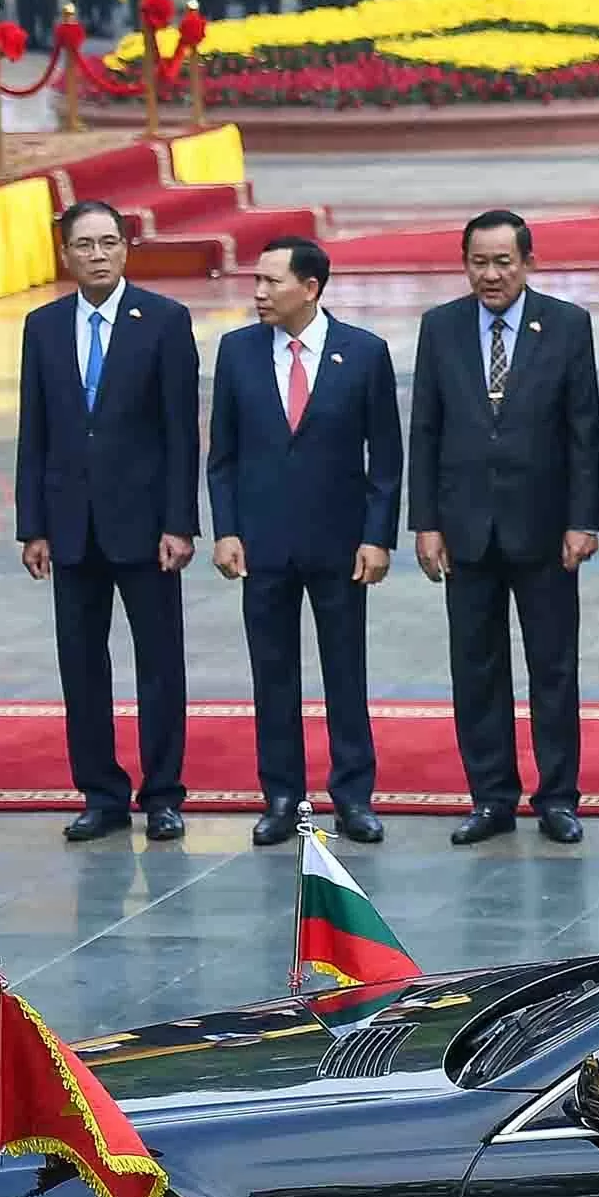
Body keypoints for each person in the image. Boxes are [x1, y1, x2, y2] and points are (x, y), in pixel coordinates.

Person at [411, 209, 599, 846]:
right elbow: (427, 430)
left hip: (545, 529)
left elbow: (583, 431)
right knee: (476, 667)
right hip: (465, 528)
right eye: (478, 262)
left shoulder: (568, 325)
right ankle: (491, 797)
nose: (490, 275)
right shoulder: (441, 328)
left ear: (528, 262)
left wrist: (583, 518)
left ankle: (558, 798)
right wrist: (426, 523)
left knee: (554, 667)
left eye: (503, 262)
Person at [16, 199, 202, 839]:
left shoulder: (164, 321)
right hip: (70, 526)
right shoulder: (41, 327)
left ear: (126, 248)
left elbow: (182, 432)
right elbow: (33, 432)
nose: (96, 255)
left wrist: (180, 522)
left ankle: (164, 794)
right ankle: (100, 794)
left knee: (159, 662)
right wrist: (31, 525)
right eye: (84, 245)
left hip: (146, 526)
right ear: (64, 254)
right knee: (82, 665)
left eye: (107, 243)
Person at [207, 235, 399, 847]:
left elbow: (386, 460)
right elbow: (223, 457)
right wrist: (228, 529)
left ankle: (353, 796)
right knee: (273, 673)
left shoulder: (363, 354)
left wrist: (377, 537)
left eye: (271, 282)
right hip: (263, 544)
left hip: (340, 545)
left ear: (310, 288)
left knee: (346, 672)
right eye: (256, 282)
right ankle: (283, 795)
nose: (259, 293)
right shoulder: (237, 353)